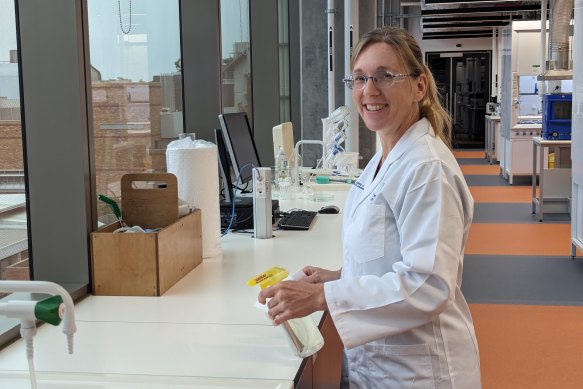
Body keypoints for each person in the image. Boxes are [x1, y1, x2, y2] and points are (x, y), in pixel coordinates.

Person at [258, 26, 481, 388]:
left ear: (419, 86)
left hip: (422, 372)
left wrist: (320, 296)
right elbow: (390, 250)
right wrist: (339, 276)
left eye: (385, 77)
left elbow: (427, 285)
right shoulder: (385, 155)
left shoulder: (427, 168)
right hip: (385, 363)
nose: (369, 91)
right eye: (359, 78)